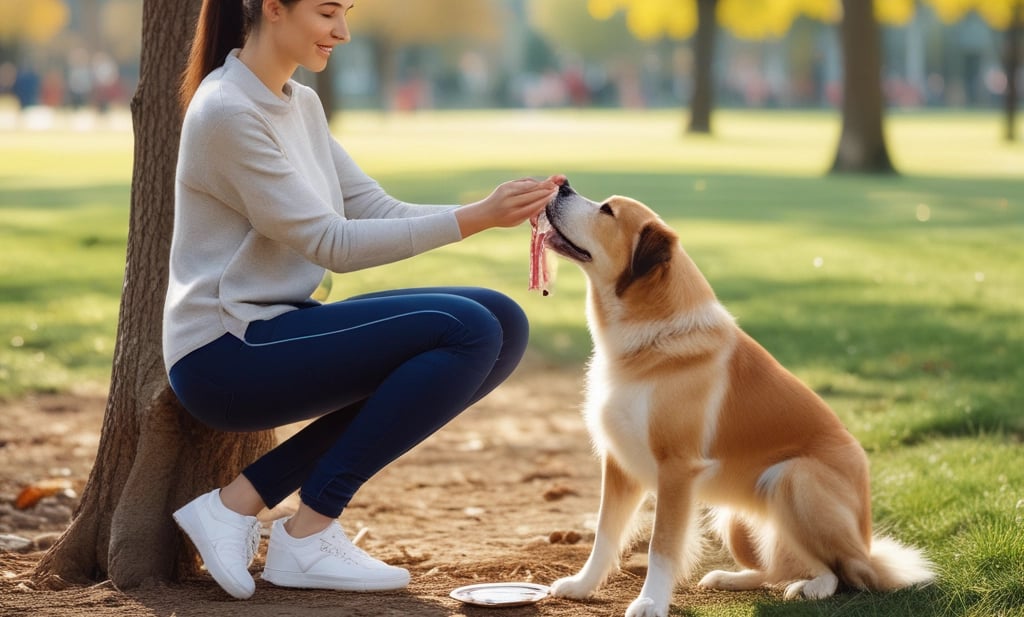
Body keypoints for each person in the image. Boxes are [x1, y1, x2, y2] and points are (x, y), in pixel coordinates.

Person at [165, 0, 564, 600]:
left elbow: (373, 210)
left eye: (346, 12)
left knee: (501, 322)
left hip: (278, 330)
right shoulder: (226, 110)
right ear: (273, 7)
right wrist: (473, 219)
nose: (343, 32)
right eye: (328, 12)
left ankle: (238, 505)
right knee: (468, 330)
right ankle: (308, 532)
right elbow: (332, 242)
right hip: (224, 352)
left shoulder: (300, 104)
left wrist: (493, 210)